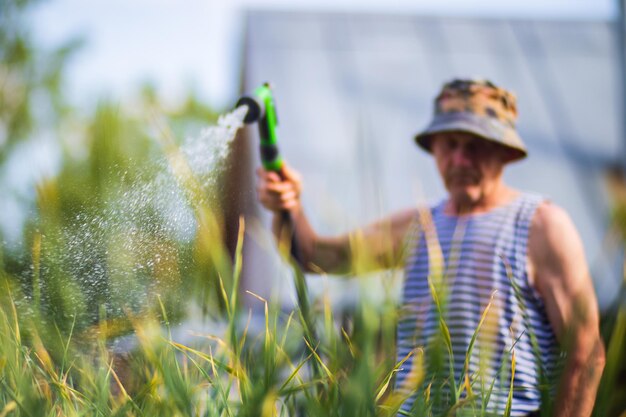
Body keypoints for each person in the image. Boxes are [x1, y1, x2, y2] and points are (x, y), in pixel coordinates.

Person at [256, 79, 605, 416]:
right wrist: (289, 205)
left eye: (475, 145)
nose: (460, 159)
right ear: (433, 148)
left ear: (504, 151)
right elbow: (315, 256)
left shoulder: (540, 225)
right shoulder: (418, 227)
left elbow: (586, 353)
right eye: (449, 144)